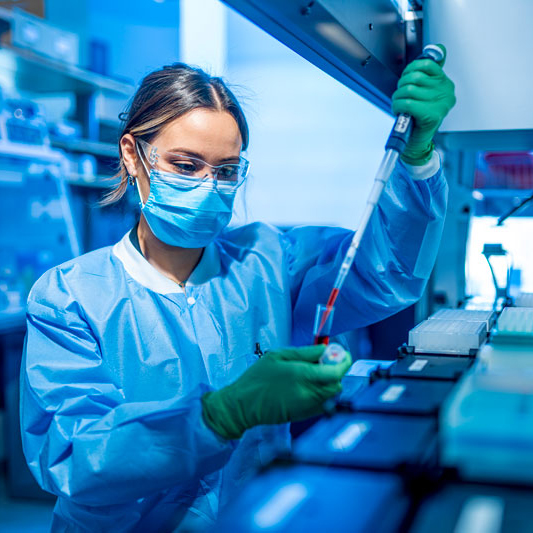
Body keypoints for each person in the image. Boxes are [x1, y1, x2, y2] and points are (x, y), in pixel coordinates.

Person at [21, 49, 455, 532]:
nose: (209, 186)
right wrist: (223, 414)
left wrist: (416, 156)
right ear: (131, 153)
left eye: (226, 171)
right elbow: (74, 456)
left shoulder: (268, 261)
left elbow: (387, 271)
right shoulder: (69, 297)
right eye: (186, 165)